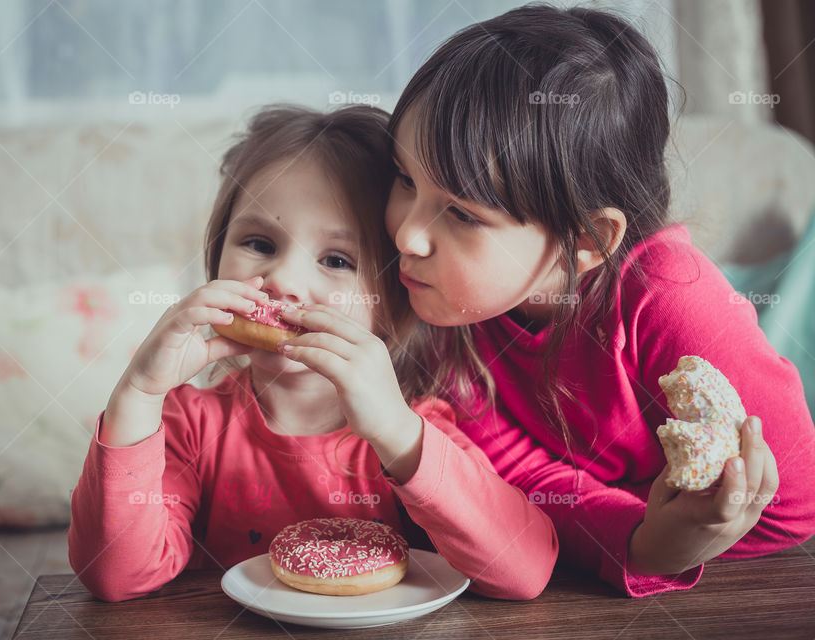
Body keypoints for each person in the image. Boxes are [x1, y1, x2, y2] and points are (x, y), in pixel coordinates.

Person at [383, 4, 815, 597]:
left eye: (461, 213)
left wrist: (666, 532)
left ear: (586, 240)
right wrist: (638, 537)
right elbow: (514, 485)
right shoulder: (445, 315)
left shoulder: (669, 296)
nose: (406, 233)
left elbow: (793, 503)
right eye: (404, 179)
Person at [67, 104, 558, 602]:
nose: (284, 280)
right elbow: (114, 578)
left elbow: (526, 571)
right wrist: (138, 394)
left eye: (337, 260)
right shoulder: (188, 425)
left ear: (390, 303)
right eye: (259, 243)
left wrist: (398, 435)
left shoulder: (411, 432)